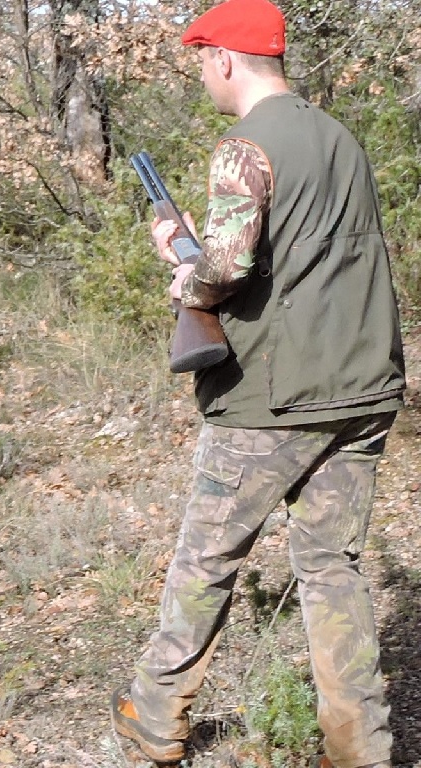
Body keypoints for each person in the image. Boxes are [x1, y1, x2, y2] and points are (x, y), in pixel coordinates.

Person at [109, 0, 406, 766]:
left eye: (202, 59)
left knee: (206, 559)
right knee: (330, 568)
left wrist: (182, 267)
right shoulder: (340, 137)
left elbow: (227, 270)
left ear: (225, 60)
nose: (203, 73)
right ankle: (362, 746)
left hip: (274, 398)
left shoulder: (243, 148)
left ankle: (154, 714)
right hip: (365, 389)